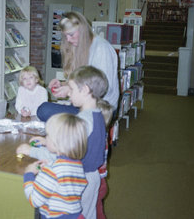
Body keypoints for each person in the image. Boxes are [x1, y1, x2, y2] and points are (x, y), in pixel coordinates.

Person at [18, 65, 112, 219]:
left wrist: (31, 151)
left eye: (72, 89)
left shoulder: (82, 122)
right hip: (92, 177)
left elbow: (62, 156)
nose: (69, 93)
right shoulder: (97, 115)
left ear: (85, 90)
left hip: (78, 179)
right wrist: (46, 140)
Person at [37, 11, 119, 122]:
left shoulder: (101, 49)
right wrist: (63, 84)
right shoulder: (80, 46)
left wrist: (69, 90)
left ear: (83, 30)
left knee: (44, 110)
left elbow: (102, 89)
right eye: (65, 36)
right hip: (83, 103)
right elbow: (81, 81)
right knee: (44, 109)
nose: (68, 40)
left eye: (71, 35)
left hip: (101, 109)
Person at [22, 113, 88, 219]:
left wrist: (28, 175)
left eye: (47, 135)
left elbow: (34, 201)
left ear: (56, 142)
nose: (45, 138)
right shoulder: (78, 165)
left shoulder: (52, 170)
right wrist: (48, 169)